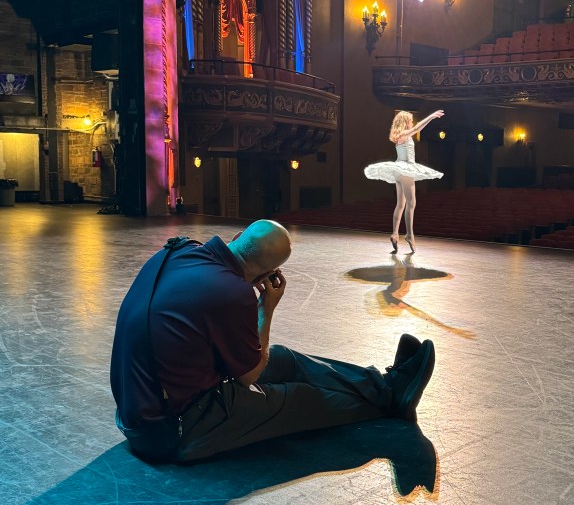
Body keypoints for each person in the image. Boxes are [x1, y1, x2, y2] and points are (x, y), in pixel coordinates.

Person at [110, 220, 436, 465]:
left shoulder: (180, 250)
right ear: (267, 273)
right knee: (296, 400)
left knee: (283, 359)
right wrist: (265, 307)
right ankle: (390, 400)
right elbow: (249, 376)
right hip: (170, 431)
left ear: (238, 237)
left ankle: (383, 386)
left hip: (140, 408)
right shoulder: (231, 292)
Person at [364, 109, 445, 253]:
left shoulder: (401, 136)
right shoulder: (403, 135)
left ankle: (395, 234)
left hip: (400, 170)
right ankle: (409, 234)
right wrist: (431, 117)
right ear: (404, 122)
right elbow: (417, 128)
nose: (411, 123)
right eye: (409, 120)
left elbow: (415, 128)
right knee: (412, 202)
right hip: (405, 169)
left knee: (401, 204)